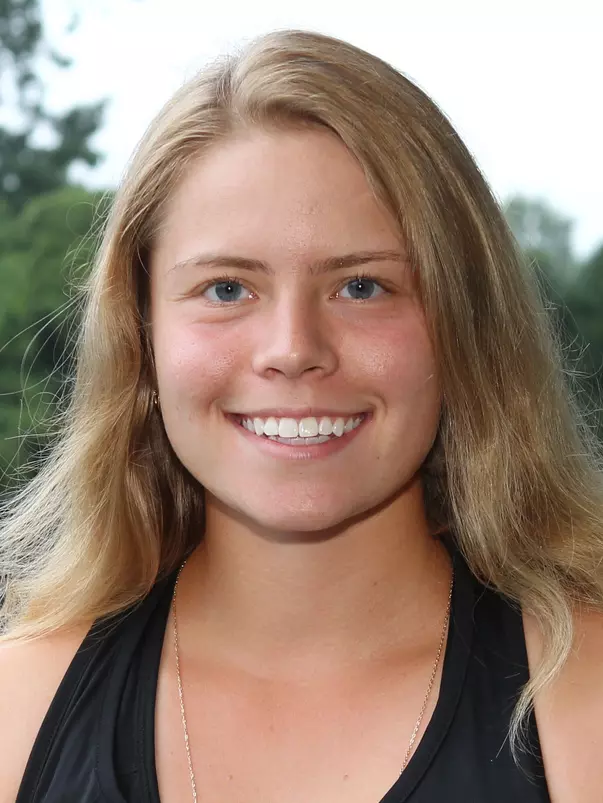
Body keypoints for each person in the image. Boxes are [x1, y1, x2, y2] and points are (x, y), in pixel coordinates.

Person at [1, 28, 602, 803]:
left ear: (464, 325)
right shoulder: (18, 710)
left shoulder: (581, 704)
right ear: (141, 335)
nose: (292, 349)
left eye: (361, 286)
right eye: (226, 288)